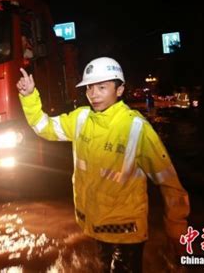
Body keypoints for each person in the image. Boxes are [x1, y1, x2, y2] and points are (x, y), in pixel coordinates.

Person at [17, 57, 190, 272]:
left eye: (102, 87)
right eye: (89, 87)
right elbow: (44, 127)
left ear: (119, 90)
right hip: (97, 227)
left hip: (127, 232)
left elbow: (168, 181)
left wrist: (176, 229)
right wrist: (29, 97)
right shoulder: (81, 119)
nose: (93, 93)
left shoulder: (135, 127)